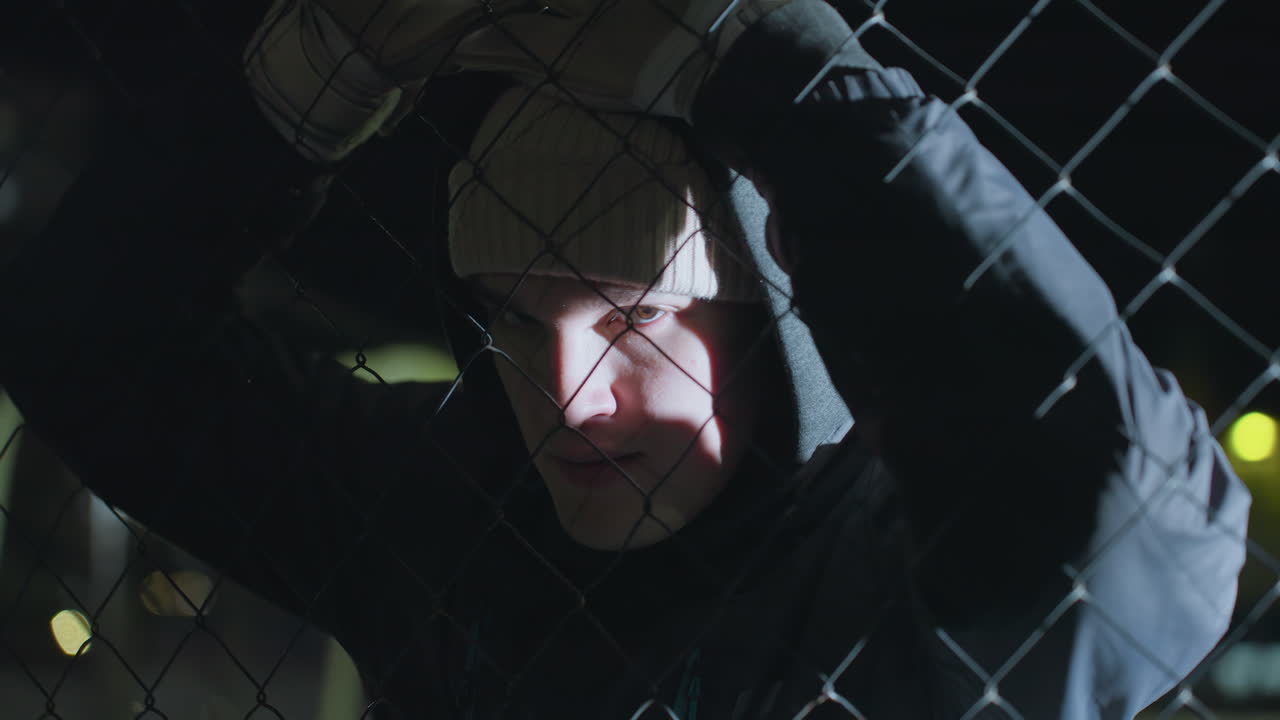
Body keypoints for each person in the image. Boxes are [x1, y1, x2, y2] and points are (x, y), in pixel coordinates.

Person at [0, 0, 1251, 717]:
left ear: (768, 312)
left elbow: (1147, 522)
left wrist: (777, 72)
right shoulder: (447, 513)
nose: (568, 395)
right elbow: (85, 344)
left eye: (635, 316)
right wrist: (288, 93)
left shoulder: (903, 574)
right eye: (508, 317)